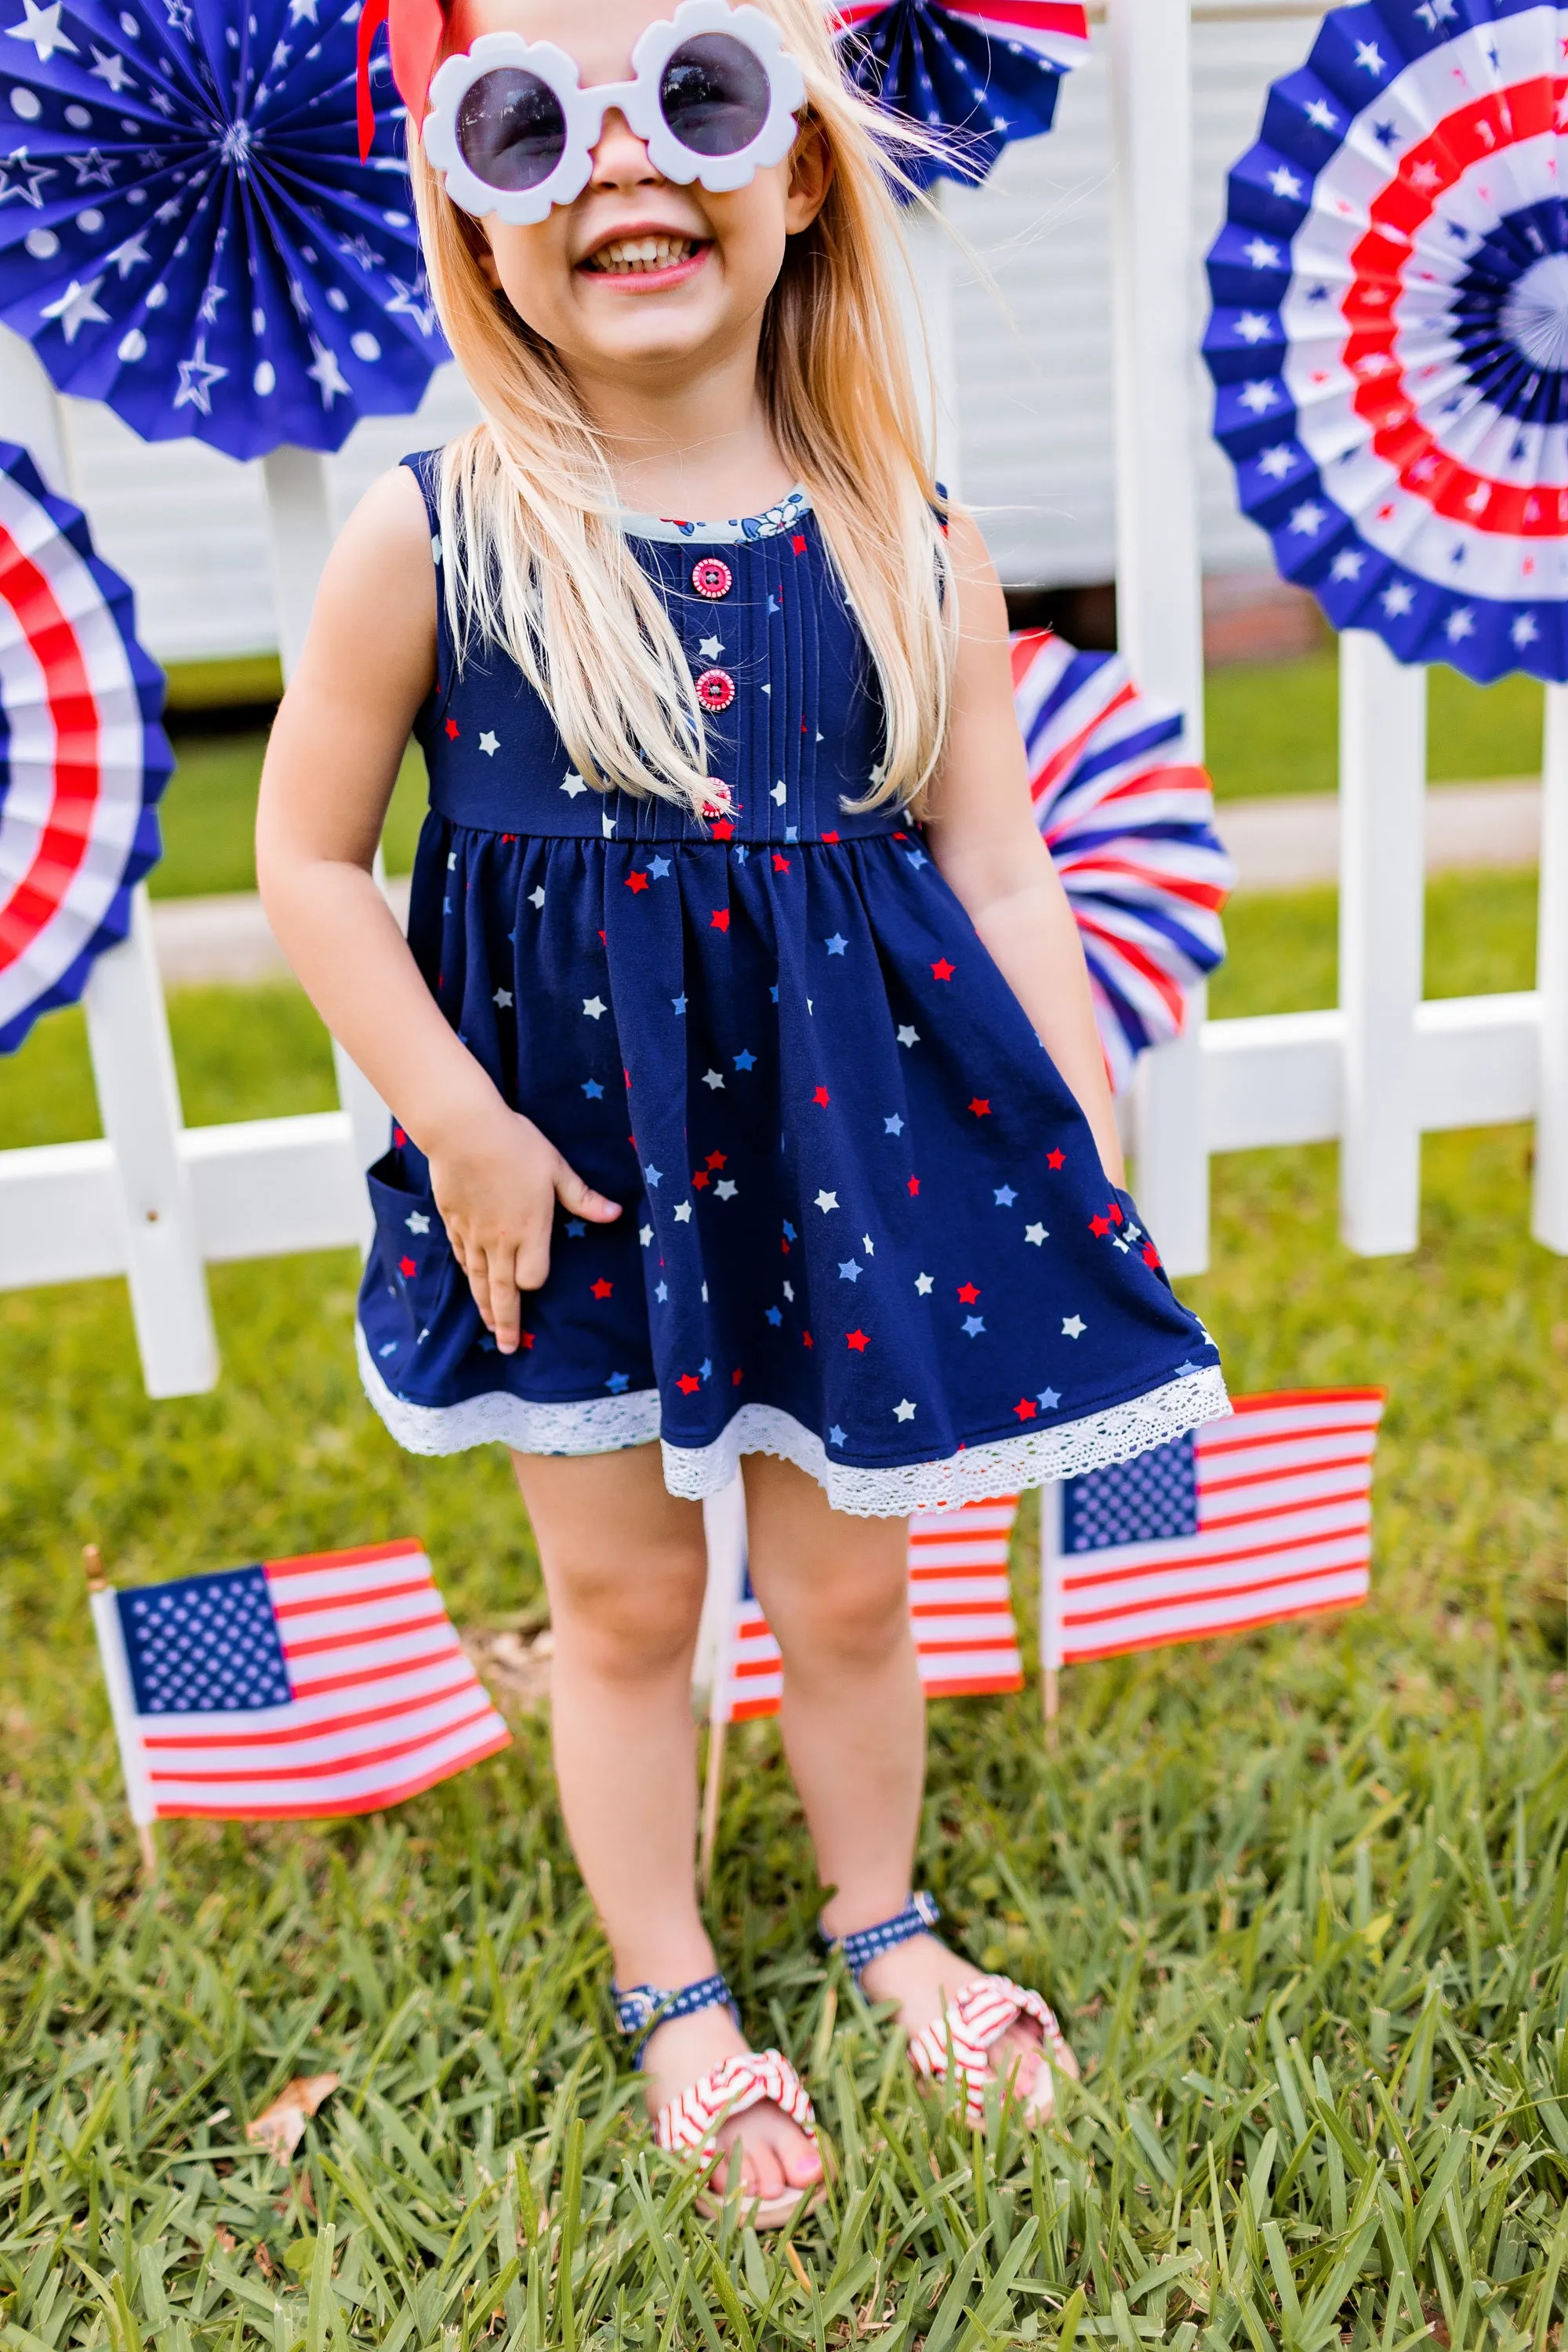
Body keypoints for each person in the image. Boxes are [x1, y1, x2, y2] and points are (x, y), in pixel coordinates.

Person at [257, 0, 1227, 2227]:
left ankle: (880, 1920)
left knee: (857, 1591)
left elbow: (995, 865)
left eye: (692, 102)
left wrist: (1071, 1110)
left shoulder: (907, 535)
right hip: (570, 1175)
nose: (623, 170)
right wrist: (456, 1119)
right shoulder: (437, 538)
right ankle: (676, 1977)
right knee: (618, 1607)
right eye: (535, 129)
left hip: (850, 1172)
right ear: (475, 226)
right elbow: (301, 859)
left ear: (798, 175)